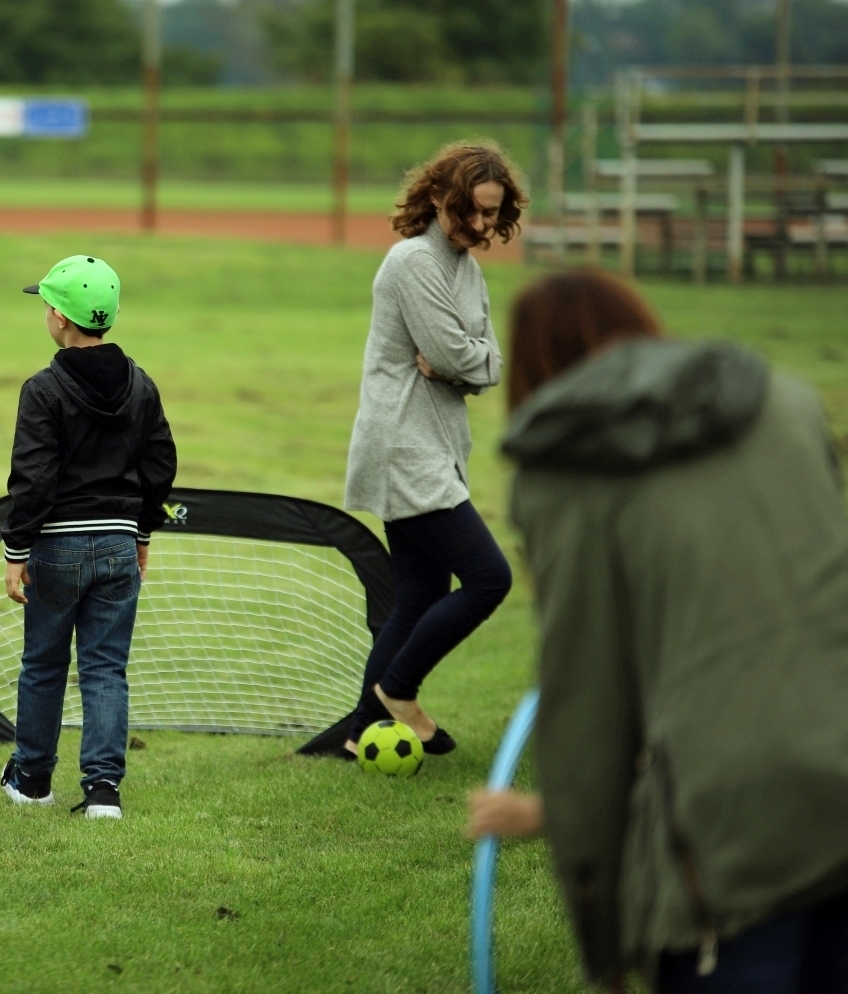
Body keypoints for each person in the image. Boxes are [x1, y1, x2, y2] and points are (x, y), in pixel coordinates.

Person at [491, 269, 848, 991]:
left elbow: (586, 710)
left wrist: (604, 951)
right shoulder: (785, 400)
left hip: (734, 838)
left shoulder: (563, 468)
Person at [340, 143, 525, 760]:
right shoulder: (412, 262)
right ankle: (398, 691)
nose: (479, 225)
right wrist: (463, 362)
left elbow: (489, 364)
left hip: (436, 447)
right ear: (439, 196)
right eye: (468, 210)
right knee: (488, 577)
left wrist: (464, 364)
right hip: (404, 446)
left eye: (491, 214)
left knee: (419, 595)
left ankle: (357, 731)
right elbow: (454, 355)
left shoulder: (467, 271)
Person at [0, 255, 177, 820]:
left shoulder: (43, 389)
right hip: (121, 544)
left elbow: (33, 477)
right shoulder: (142, 384)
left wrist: (16, 549)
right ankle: (103, 793)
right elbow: (161, 465)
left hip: (58, 548)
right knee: (105, 667)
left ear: (58, 318)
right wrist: (143, 530)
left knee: (44, 663)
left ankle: (31, 781)